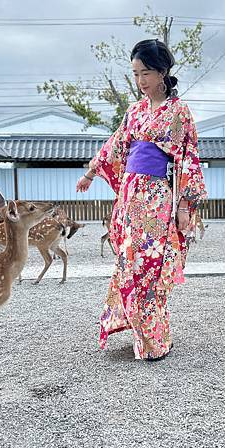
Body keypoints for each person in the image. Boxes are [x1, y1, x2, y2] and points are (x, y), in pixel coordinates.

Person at [76, 39, 207, 361]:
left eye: (145, 73)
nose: (140, 81)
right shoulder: (134, 111)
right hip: (130, 197)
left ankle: (155, 340)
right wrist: (91, 173)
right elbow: (115, 146)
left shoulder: (179, 112)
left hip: (157, 196)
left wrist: (185, 207)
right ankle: (142, 332)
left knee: (150, 265)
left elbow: (188, 159)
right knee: (128, 263)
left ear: (163, 72)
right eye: (135, 74)